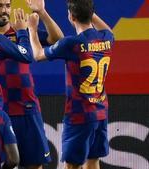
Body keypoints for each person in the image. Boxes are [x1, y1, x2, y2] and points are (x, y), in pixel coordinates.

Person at [28, 0, 113, 168]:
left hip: (79, 114)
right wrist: (87, 10)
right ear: (91, 14)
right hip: (101, 112)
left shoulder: (72, 44)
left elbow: (38, 55)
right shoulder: (107, 38)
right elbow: (107, 29)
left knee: (72, 165)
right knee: (93, 160)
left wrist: (31, 29)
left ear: (71, 16)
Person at [0, 0, 63, 168]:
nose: (4, 10)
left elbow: (57, 39)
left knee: (35, 165)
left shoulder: (22, 32)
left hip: (26, 109)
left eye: (7, 5)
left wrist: (42, 13)